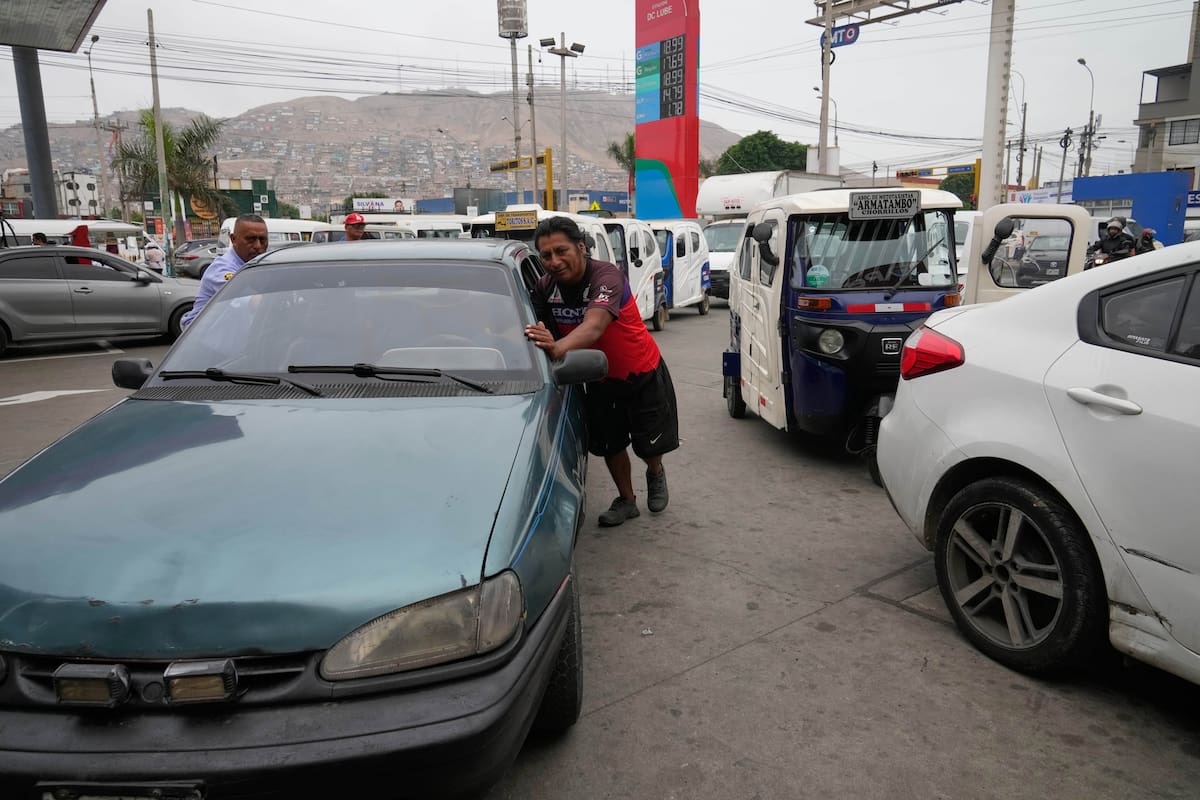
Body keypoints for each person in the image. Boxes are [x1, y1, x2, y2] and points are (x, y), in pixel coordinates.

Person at [525, 216, 679, 527]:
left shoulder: (607, 276)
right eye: (546, 255)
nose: (554, 261)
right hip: (596, 377)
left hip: (640, 372)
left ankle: (655, 471)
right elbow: (538, 328)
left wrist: (556, 347)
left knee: (649, 444)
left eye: (561, 251)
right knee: (611, 443)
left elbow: (594, 326)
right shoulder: (545, 288)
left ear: (581, 247)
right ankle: (627, 500)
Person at [180, 214, 268, 328]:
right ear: (233, 239)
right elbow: (254, 302)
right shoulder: (222, 269)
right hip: (202, 338)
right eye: (250, 239)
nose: (258, 245)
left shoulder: (257, 265)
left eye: (263, 239)